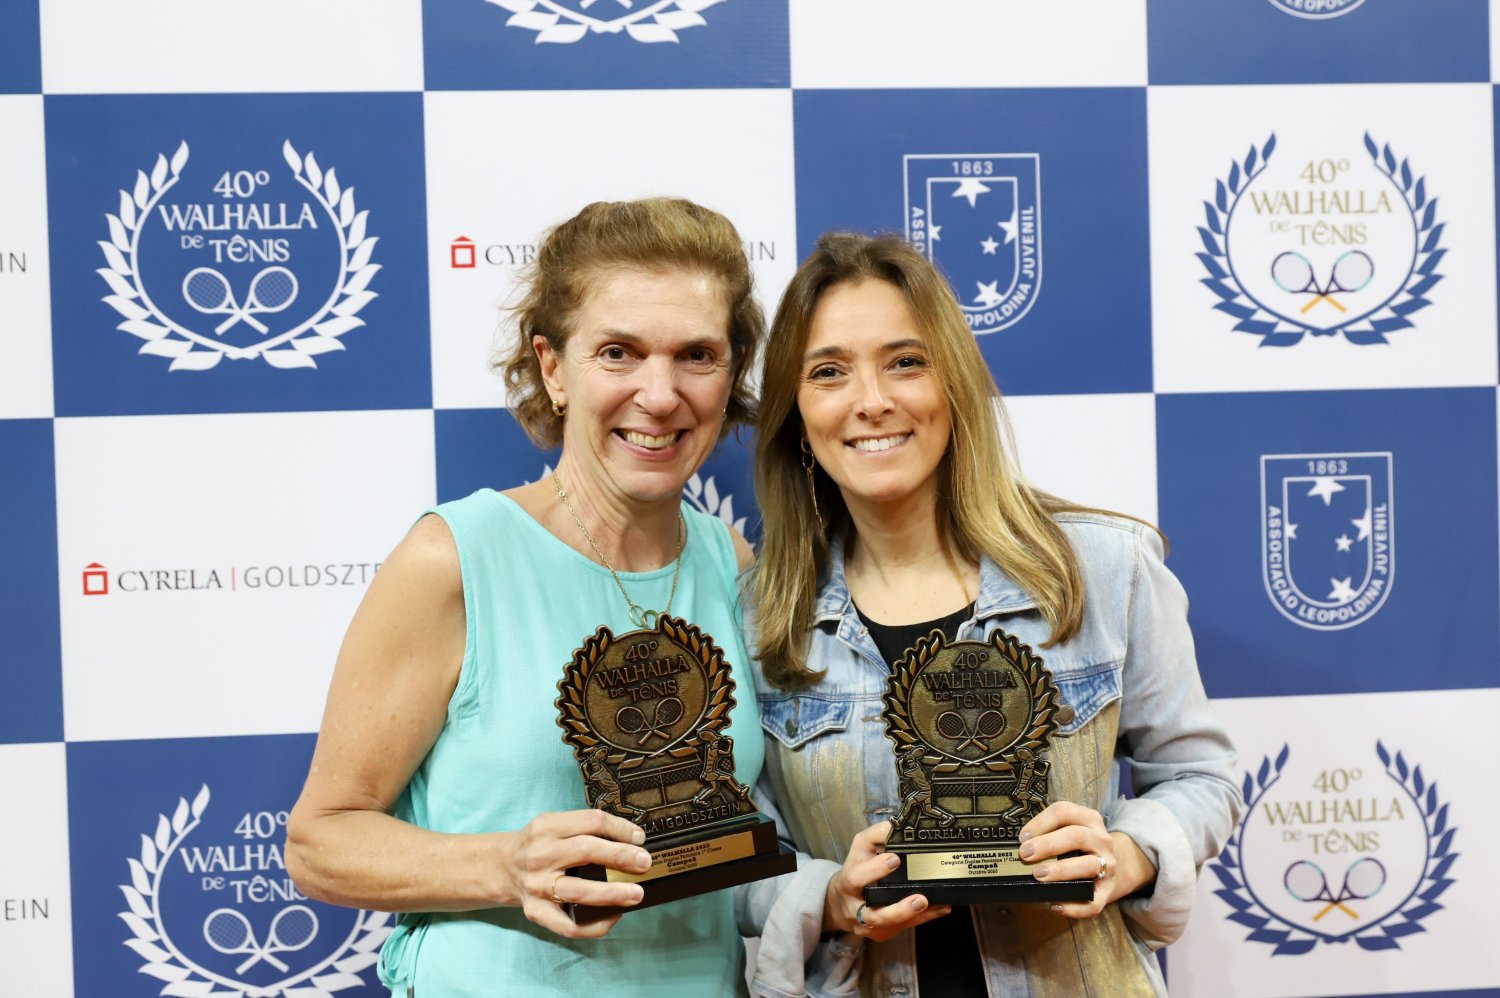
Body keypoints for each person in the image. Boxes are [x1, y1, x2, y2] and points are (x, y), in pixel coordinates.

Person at [285, 200, 928, 998]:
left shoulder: (727, 562)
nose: (659, 394)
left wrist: (829, 893)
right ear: (554, 368)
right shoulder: (455, 558)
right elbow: (318, 843)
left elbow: (732, 846)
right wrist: (503, 864)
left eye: (696, 356)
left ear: (731, 375)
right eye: (618, 353)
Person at [747, 232, 1243, 996]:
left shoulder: (1103, 569)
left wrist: (1124, 854)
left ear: (954, 383)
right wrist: (829, 898)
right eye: (829, 372)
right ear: (797, 414)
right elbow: (749, 851)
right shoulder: (763, 616)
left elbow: (1202, 777)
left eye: (905, 362)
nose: (871, 400)